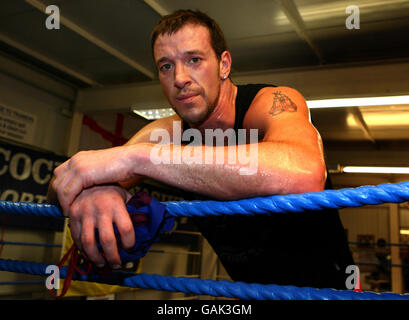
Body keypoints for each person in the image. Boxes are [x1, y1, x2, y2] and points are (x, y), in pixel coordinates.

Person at [48, 10, 354, 289]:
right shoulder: (167, 132)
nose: (179, 78)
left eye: (194, 59)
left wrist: (137, 158)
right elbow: (63, 184)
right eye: (166, 66)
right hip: (254, 293)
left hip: (330, 291)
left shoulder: (269, 103)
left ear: (223, 64)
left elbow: (304, 172)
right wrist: (100, 191)